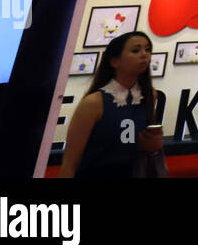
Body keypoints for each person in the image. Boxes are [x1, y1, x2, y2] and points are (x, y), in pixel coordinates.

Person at [60, 31, 163, 177]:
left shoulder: (149, 95)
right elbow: (70, 164)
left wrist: (152, 146)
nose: (144, 55)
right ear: (115, 61)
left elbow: (132, 143)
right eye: (136, 50)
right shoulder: (94, 102)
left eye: (147, 49)